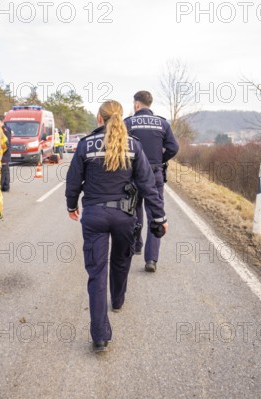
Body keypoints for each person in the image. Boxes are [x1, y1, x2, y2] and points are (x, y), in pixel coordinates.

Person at [66, 100, 168, 352]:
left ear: (99, 119)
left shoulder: (85, 145)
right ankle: (119, 300)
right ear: (121, 118)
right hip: (124, 217)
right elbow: (147, 185)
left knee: (96, 273)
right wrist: (159, 218)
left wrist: (71, 205)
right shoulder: (134, 146)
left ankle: (100, 336)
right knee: (121, 261)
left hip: (94, 216)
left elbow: (73, 180)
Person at [124, 91, 179, 273]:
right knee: (155, 214)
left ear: (137, 105)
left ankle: (136, 244)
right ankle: (151, 260)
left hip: (133, 174)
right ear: (150, 104)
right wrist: (160, 159)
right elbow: (173, 147)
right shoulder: (162, 123)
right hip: (154, 174)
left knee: (133, 209)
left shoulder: (129, 123)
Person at [0, 115, 12, 192]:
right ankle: (6, 186)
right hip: (2, 152)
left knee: (3, 170)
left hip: (4, 153)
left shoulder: (4, 130)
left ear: (2, 122)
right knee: (6, 170)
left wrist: (0, 152)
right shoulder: (1, 129)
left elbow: (6, 143)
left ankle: (1, 186)